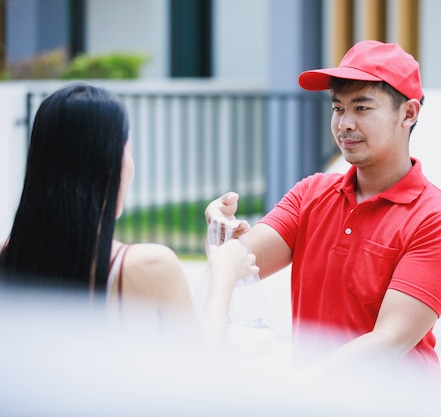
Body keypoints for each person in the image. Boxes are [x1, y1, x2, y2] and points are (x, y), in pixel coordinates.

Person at [205, 40, 441, 384]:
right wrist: (222, 234)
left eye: (361, 108)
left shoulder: (435, 221)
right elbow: (243, 264)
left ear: (408, 113)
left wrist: (296, 389)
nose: (344, 124)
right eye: (338, 107)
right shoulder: (310, 194)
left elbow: (388, 340)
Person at [0, 83, 258, 348]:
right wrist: (224, 273)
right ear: (110, 166)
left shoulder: (8, 256)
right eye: (128, 149)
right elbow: (202, 366)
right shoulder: (147, 266)